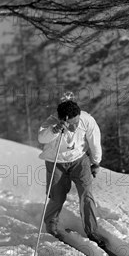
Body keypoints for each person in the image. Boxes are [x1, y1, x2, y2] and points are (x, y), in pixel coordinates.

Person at [38, 94, 103, 244]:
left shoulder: (87, 119)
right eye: (71, 123)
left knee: (86, 194)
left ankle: (92, 231)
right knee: (57, 196)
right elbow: (41, 138)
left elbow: (95, 141)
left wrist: (96, 162)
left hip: (79, 160)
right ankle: (51, 225)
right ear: (62, 119)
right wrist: (55, 130)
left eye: (76, 122)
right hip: (56, 161)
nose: (74, 126)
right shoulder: (52, 122)